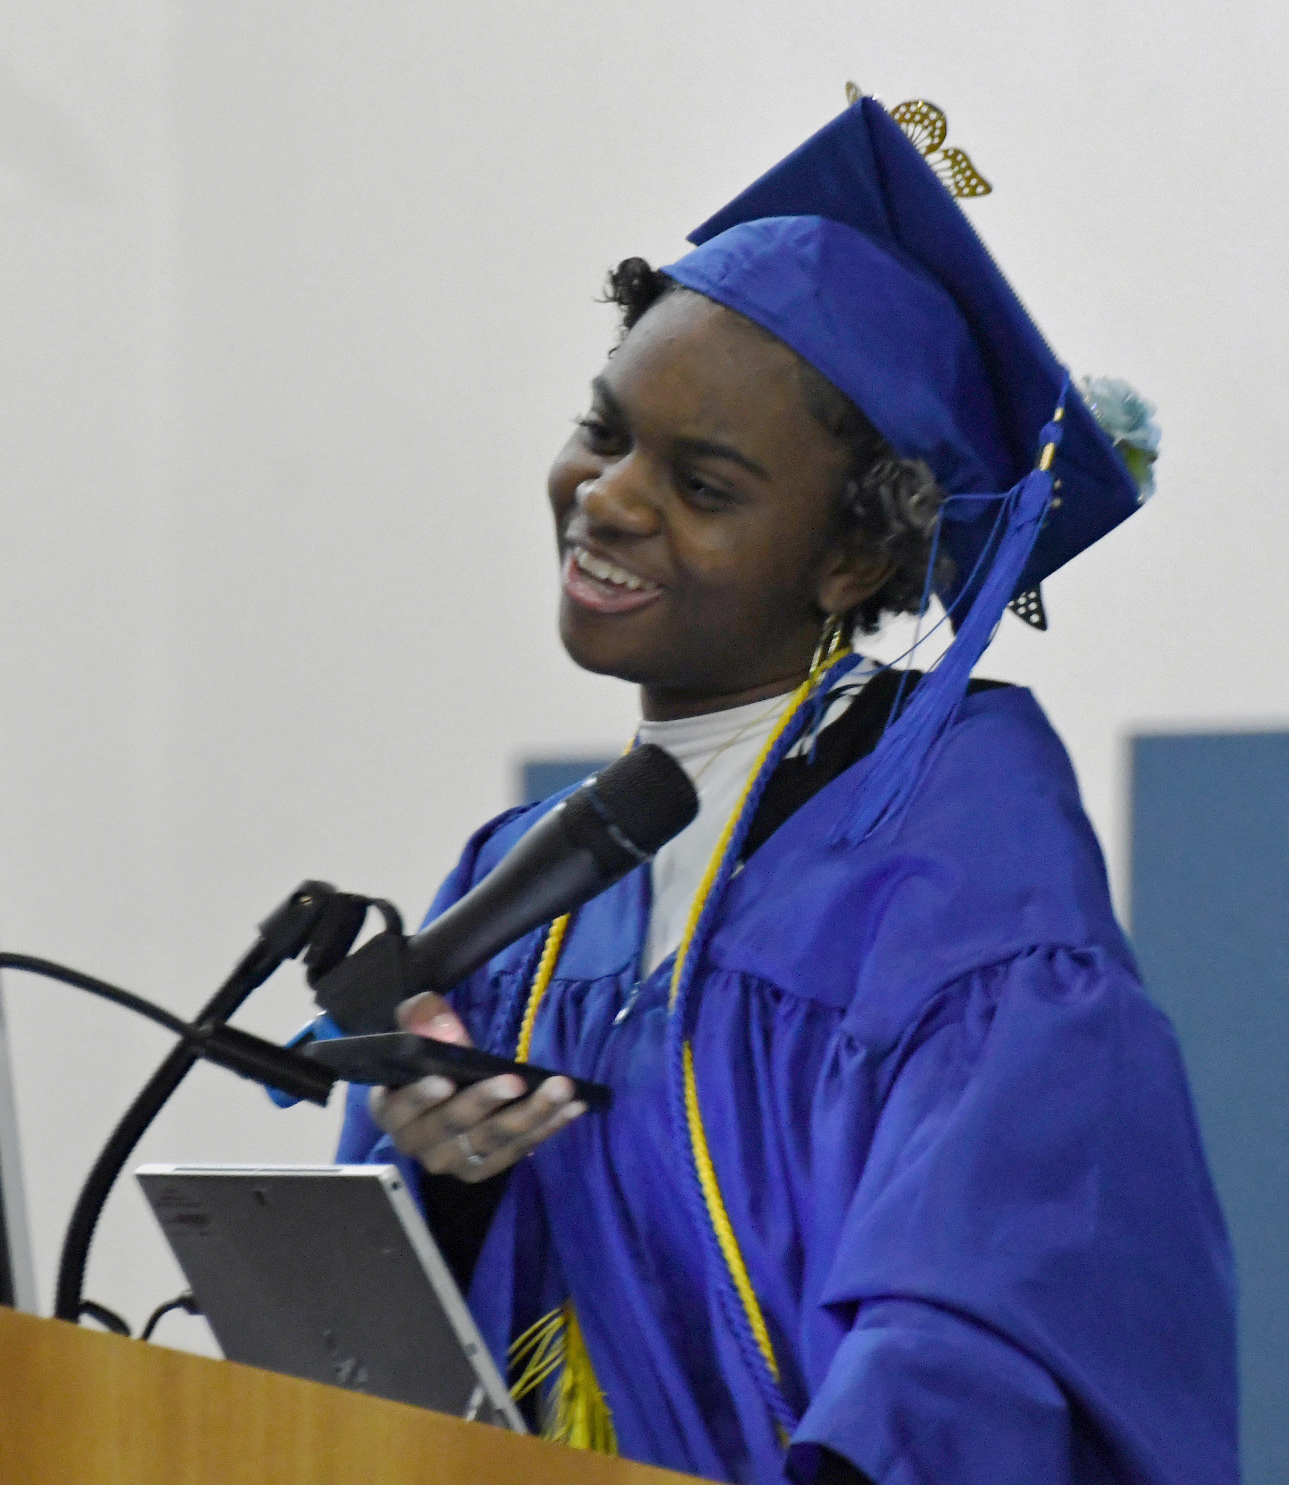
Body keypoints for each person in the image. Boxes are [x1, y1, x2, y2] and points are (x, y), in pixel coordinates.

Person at [335, 96, 1237, 1485]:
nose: (609, 498)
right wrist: (451, 1191)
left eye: (701, 481)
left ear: (854, 560)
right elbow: (374, 1367)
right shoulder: (522, 889)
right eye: (605, 428)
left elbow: (995, 1313)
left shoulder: (964, 869)